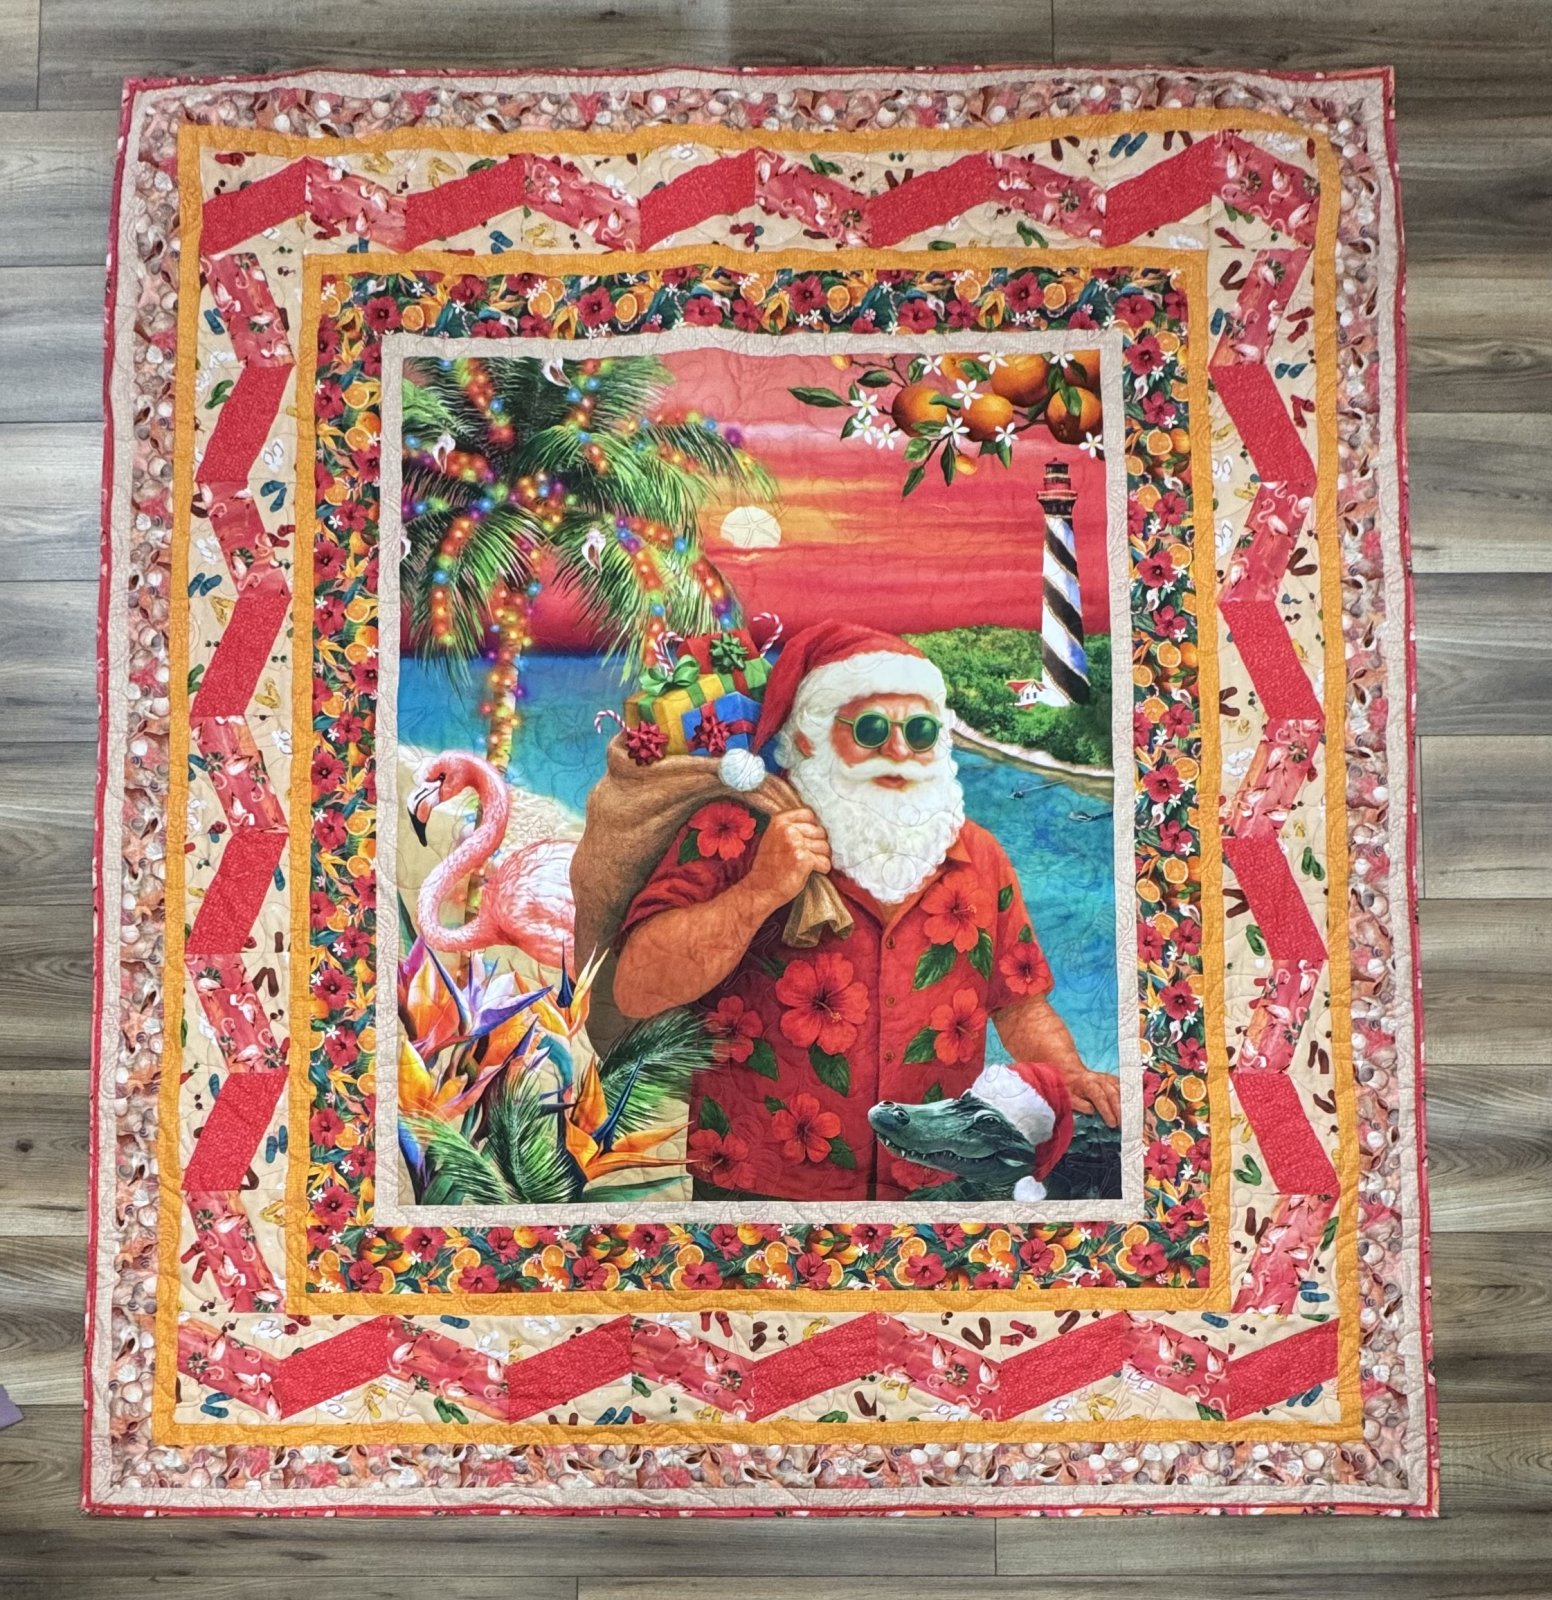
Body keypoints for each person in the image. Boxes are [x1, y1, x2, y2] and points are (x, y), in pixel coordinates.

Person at [612, 621, 1120, 1200]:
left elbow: (1019, 1005)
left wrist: (1068, 1074)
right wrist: (758, 891)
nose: (899, 752)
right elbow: (637, 990)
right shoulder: (736, 830)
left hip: (937, 1182)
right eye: (872, 729)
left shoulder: (980, 856)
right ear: (810, 737)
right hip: (762, 1185)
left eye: (920, 731)